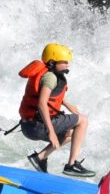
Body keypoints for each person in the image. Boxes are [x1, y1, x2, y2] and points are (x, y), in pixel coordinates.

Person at [16, 43, 95, 177]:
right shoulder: (50, 77)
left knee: (70, 133)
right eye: (63, 62)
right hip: (38, 126)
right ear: (52, 62)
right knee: (83, 120)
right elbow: (42, 104)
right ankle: (71, 165)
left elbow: (48, 97)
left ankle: (40, 157)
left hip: (29, 126)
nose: (67, 65)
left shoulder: (47, 74)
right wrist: (52, 132)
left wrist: (66, 104)